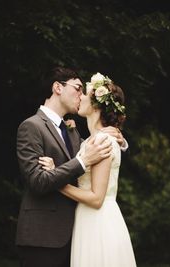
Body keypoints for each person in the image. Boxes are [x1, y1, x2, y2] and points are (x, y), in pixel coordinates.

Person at [15, 67, 127, 267]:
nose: (81, 95)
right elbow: (37, 181)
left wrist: (119, 140)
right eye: (77, 88)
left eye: (84, 91)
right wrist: (83, 162)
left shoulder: (73, 131)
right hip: (44, 237)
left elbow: (98, 155)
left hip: (77, 233)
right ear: (58, 87)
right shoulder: (31, 126)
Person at [40, 72, 137, 267]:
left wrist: (56, 181)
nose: (80, 97)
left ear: (96, 105)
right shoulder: (92, 139)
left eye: (84, 94)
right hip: (87, 219)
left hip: (98, 221)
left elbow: (96, 198)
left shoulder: (102, 140)